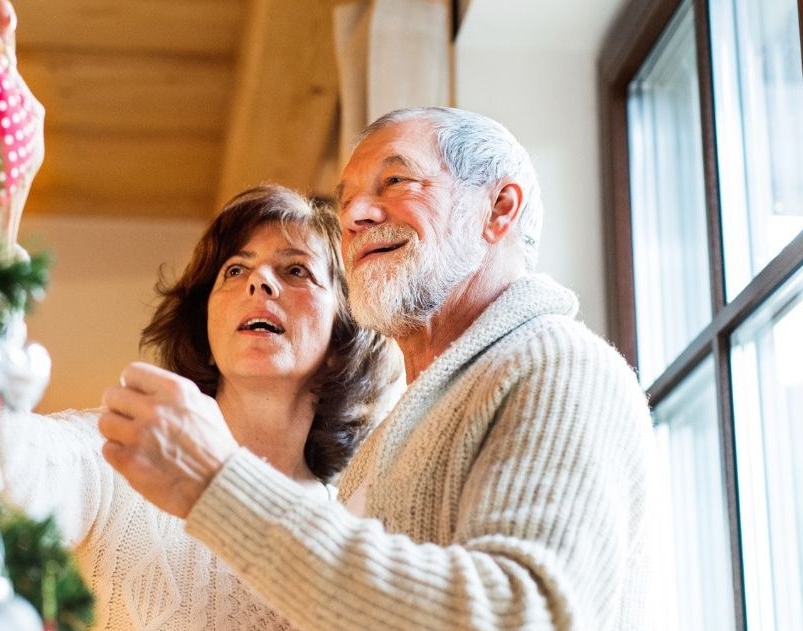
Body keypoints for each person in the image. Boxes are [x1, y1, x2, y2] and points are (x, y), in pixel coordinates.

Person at [100, 106, 655, 630]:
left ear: (499, 209)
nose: (356, 216)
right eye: (347, 203)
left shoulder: (560, 366)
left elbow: (521, 616)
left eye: (396, 183)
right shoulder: (381, 446)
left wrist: (217, 484)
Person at [0, 184, 400, 630]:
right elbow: (7, 478)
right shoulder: (125, 451)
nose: (259, 281)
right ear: (206, 332)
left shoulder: (351, 526)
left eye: (296, 270)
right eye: (235, 270)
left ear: (345, 337)